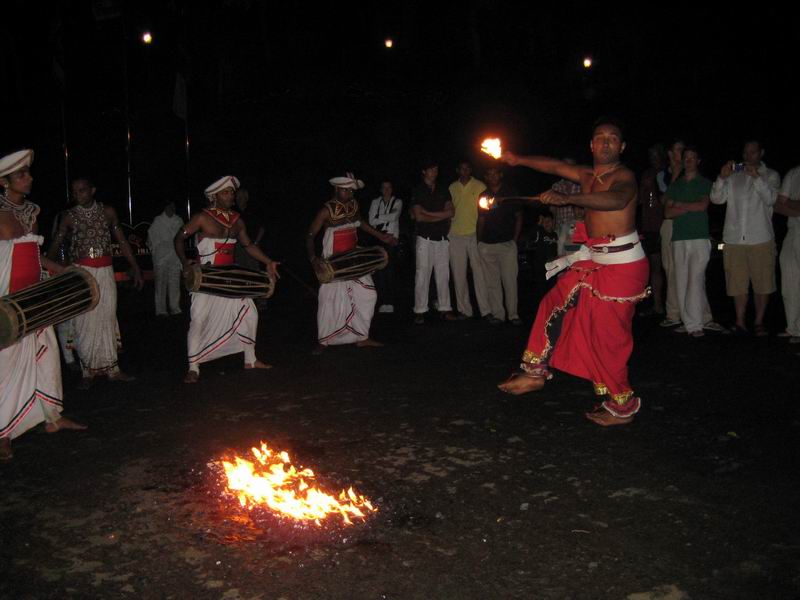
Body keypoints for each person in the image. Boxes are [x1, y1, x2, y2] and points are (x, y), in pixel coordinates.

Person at [497, 117, 649, 427]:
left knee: (608, 337)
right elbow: (552, 166)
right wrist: (517, 159)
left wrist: (569, 197)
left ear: (622, 146)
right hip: (594, 259)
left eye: (613, 137)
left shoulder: (625, 176)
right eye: (599, 137)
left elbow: (616, 199)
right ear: (591, 145)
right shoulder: (585, 173)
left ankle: (623, 404)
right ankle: (534, 373)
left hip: (624, 267)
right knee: (552, 302)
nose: (606, 142)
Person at [1, 149, 86, 461]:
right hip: (8, 303)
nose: (29, 178)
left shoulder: (33, 212)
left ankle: (52, 416)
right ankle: (3, 435)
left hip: (36, 298)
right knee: (6, 368)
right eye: (21, 174)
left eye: (28, 173)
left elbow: (35, 256)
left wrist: (62, 270)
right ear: (3, 181)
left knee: (47, 357)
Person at [174, 176, 279, 383]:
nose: (231, 196)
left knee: (250, 312)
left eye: (232, 192)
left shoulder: (237, 221)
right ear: (214, 196)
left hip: (229, 278)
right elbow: (179, 238)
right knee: (199, 320)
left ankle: (250, 359)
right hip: (207, 278)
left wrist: (268, 262)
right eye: (226, 192)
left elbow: (248, 246)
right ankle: (193, 367)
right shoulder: (201, 218)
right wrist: (185, 264)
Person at [47, 177, 143, 389]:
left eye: (82, 190)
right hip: (82, 272)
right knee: (84, 320)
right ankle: (87, 371)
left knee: (107, 316)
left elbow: (122, 241)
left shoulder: (108, 211)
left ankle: (112, 369)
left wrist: (135, 266)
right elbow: (57, 243)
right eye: (74, 191)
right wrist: (46, 267)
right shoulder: (68, 216)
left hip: (105, 269)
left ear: (93, 190)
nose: (77, 195)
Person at [307, 173, 396, 352]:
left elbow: (360, 223)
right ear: (336, 189)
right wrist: (313, 258)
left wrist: (382, 237)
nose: (348, 193)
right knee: (329, 299)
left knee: (368, 294)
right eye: (344, 190)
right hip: (334, 259)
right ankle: (323, 341)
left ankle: (362, 336)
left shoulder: (354, 205)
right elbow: (310, 235)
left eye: (350, 190)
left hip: (354, 257)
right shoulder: (327, 210)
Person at [710, 140, 781, 336]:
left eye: (753, 152)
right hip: (734, 238)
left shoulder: (771, 175)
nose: (749, 156)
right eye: (746, 152)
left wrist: (757, 178)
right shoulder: (734, 175)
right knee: (737, 283)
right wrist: (722, 178)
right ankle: (740, 321)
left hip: (761, 237)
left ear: (761, 153)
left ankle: (759, 321)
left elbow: (771, 199)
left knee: (763, 282)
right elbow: (717, 199)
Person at [664, 146, 715, 337]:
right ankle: (689, 322)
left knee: (695, 279)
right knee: (681, 280)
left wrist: (680, 205)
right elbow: (667, 213)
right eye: (686, 157)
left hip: (699, 237)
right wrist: (689, 207)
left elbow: (702, 206)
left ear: (698, 161)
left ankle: (695, 324)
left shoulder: (704, 182)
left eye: (693, 158)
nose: (689, 160)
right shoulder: (676, 185)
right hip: (679, 238)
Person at [411, 159, 458, 324]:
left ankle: (444, 309)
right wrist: (441, 214)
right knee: (422, 275)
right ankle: (420, 310)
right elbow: (418, 216)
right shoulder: (418, 190)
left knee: (443, 275)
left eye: (436, 169)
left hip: (442, 239)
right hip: (424, 238)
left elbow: (451, 212)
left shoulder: (443, 189)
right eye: (431, 169)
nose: (434, 172)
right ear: (424, 171)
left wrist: (429, 213)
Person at [477, 165, 522, 325]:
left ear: (500, 174)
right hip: (487, 244)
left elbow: (518, 216)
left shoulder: (510, 193)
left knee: (509, 281)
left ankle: (513, 314)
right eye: (489, 174)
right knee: (492, 282)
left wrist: (514, 240)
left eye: (495, 173)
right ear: (486, 177)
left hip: (507, 244)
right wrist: (479, 242)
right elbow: (481, 220)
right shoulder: (483, 196)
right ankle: (498, 314)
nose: (492, 176)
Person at [448, 159, 491, 319]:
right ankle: (464, 310)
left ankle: (486, 310)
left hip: (474, 233)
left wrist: (483, 234)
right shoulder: (452, 187)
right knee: (458, 273)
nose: (465, 170)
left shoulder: (480, 186)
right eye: (462, 168)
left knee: (479, 273)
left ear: (470, 170)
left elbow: (487, 210)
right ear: (458, 170)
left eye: (467, 168)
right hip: (455, 234)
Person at [638, 144, 667, 316]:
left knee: (667, 266)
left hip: (664, 224)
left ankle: (667, 305)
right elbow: (641, 200)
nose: (653, 158)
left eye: (656, 154)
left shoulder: (668, 172)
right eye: (651, 155)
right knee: (652, 266)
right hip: (648, 226)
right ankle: (656, 304)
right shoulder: (646, 174)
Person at [773, 164, 800, 344]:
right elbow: (777, 205)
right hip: (793, 231)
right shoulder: (794, 172)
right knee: (789, 281)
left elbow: (785, 202)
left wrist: (789, 202)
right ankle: (793, 327)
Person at [368, 178, 403, 313]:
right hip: (378, 238)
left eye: (389, 187)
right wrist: (385, 217)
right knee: (380, 271)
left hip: (392, 239)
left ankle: (391, 301)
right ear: (381, 189)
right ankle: (382, 301)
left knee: (390, 271)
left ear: (392, 189)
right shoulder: (375, 202)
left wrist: (379, 217)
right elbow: (371, 221)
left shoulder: (398, 201)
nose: (387, 190)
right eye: (384, 187)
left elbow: (393, 217)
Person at [147, 200, 184, 316]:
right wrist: (155, 252)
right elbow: (151, 238)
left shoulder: (178, 220)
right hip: (161, 257)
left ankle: (175, 307)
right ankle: (161, 309)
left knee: (175, 281)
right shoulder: (158, 221)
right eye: (169, 206)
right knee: (160, 283)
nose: (172, 209)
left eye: (173, 207)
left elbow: (182, 238)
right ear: (165, 207)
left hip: (174, 256)